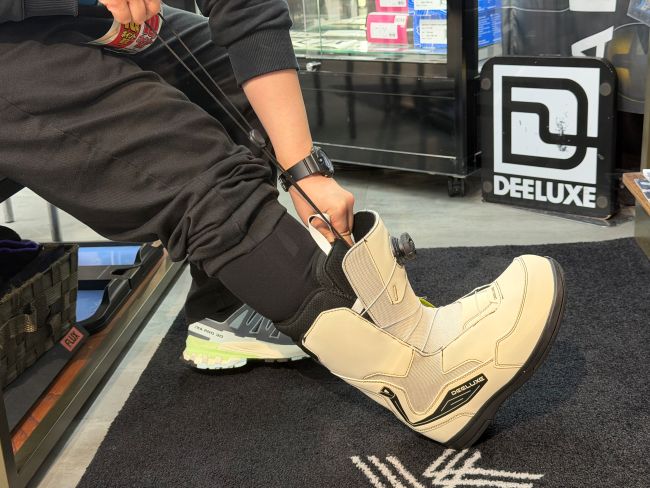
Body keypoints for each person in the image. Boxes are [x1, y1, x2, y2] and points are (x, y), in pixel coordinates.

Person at [0, 0, 566, 448]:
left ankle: (231, 311)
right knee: (195, 171)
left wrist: (302, 167)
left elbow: (246, 10)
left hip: (71, 22)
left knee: (231, 77)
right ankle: (425, 386)